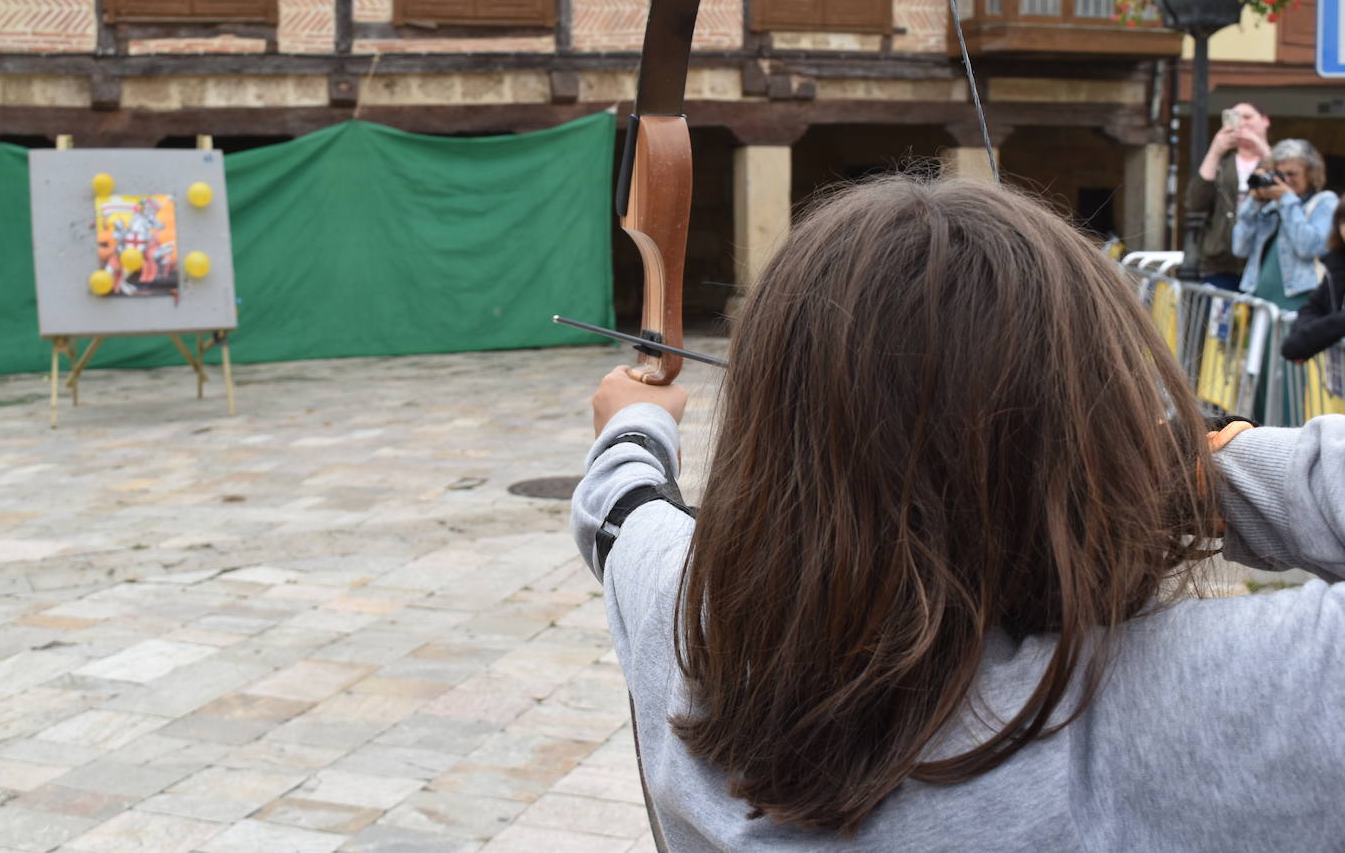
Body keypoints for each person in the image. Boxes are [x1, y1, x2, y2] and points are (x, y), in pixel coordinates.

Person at [571, 176, 1345, 851]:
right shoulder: (1182, 704)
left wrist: (634, 422)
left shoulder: (683, 627)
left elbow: (622, 509)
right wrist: (1150, 472)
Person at [1232, 138, 1337, 313]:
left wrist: (1287, 200)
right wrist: (1254, 202)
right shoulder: (1272, 207)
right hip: (1260, 302)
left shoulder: (1324, 202)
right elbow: (1239, 248)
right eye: (1280, 175)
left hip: (1299, 302)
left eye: (1292, 174)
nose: (1286, 180)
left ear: (1310, 174)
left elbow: (1309, 247)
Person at [1184, 101, 1272, 290]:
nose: (1242, 123)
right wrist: (1215, 150)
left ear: (1265, 121)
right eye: (1236, 118)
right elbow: (1195, 202)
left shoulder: (1276, 158)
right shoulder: (1222, 164)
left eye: (1248, 117)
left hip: (1261, 260)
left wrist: (1261, 147)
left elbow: (1284, 186)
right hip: (1220, 262)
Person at [1281, 197, 1345, 361]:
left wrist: (1307, 341)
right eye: (1343, 221)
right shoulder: (1336, 263)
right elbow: (1314, 306)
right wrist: (1301, 344)